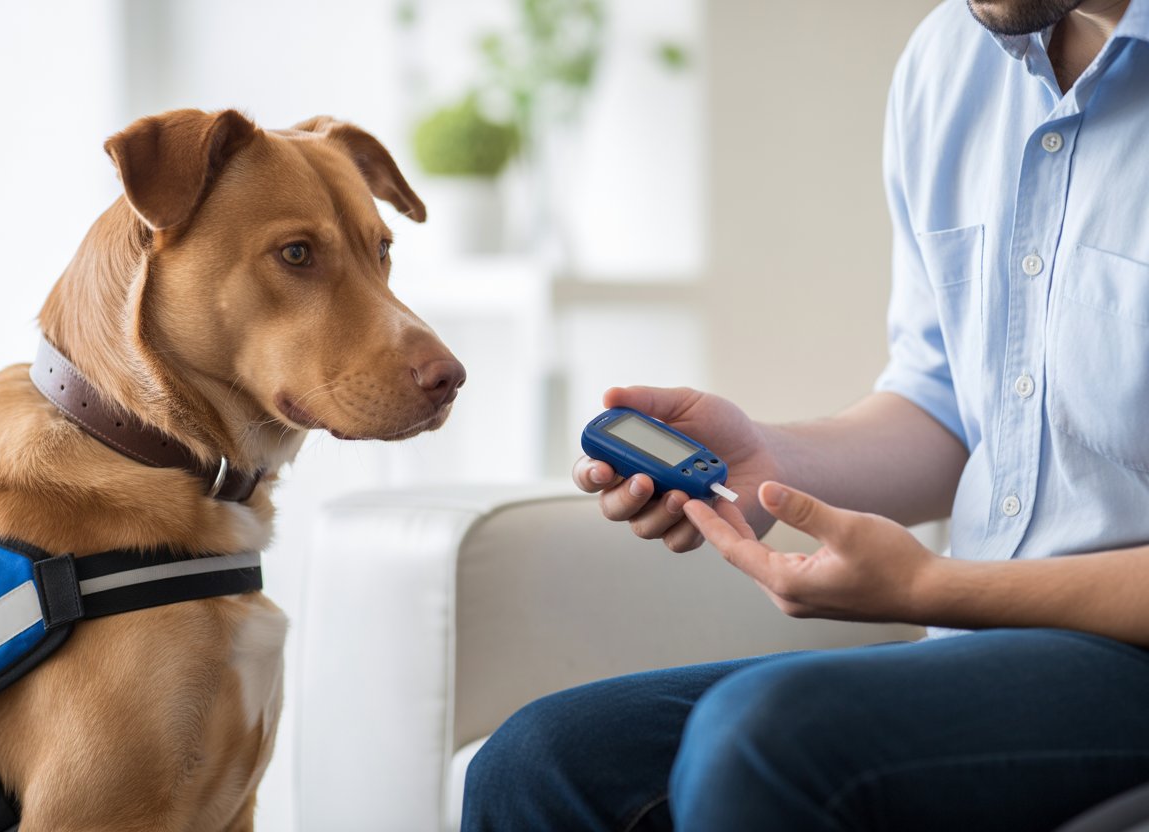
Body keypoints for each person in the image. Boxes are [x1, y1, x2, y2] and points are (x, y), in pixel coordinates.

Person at [460, 0, 1149, 828]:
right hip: (989, 647)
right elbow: (951, 404)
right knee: (544, 756)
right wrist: (770, 462)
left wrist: (932, 585)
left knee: (766, 737)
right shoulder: (952, 60)